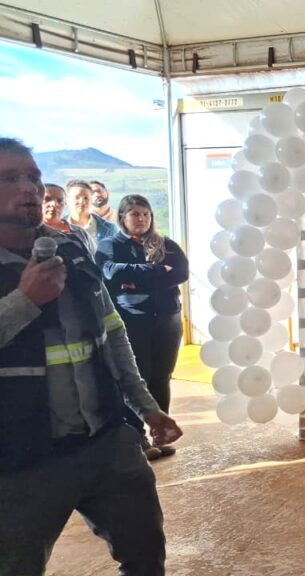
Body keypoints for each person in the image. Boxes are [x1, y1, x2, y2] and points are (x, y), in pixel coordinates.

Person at [0, 137, 182, 575]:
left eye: (33, 177)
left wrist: (146, 407)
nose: (29, 188)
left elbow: (111, 332)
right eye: (9, 178)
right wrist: (24, 300)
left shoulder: (71, 249)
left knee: (146, 554)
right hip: (20, 458)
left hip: (106, 442)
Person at [95, 195, 188, 460]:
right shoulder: (110, 245)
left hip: (168, 319)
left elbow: (181, 272)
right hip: (132, 320)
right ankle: (138, 440)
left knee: (162, 376)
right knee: (138, 378)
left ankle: (161, 434)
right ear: (122, 217)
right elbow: (111, 273)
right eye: (135, 214)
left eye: (146, 214)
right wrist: (157, 272)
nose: (141, 219)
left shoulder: (164, 244)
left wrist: (135, 280)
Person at [41, 183, 95, 253]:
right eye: (47, 199)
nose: (54, 204)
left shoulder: (80, 233)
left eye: (60, 201)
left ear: (65, 204)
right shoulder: (31, 233)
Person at [66, 179, 117, 249]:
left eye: (86, 198)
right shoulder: (57, 228)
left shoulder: (109, 228)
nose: (82, 201)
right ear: (67, 200)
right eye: (77, 197)